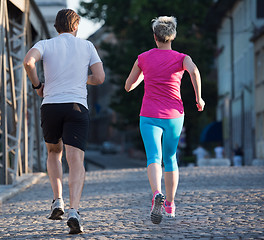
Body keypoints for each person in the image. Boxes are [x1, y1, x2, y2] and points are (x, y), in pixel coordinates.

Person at [23, 9, 105, 234]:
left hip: (51, 106)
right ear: (76, 26)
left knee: (53, 153)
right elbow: (99, 78)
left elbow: (29, 62)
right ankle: (73, 211)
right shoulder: (87, 46)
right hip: (77, 107)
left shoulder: (45, 44)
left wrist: (38, 85)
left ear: (56, 27)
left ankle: (57, 200)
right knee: (76, 160)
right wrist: (81, 78)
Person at [124, 16, 205, 224]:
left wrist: (144, 74)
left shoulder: (142, 58)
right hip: (174, 115)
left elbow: (128, 86)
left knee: (153, 157)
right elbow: (194, 71)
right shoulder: (182, 58)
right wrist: (199, 98)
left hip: (149, 114)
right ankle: (169, 204)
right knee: (170, 159)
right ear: (173, 36)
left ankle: (156, 194)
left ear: (155, 37)